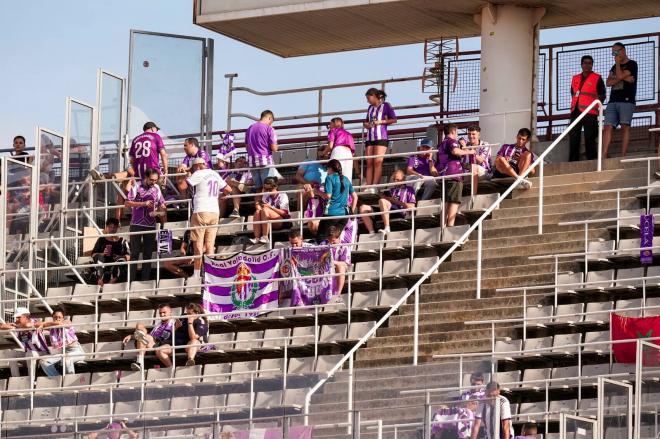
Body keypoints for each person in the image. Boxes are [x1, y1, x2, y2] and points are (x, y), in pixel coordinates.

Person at [186, 157, 232, 278]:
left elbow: (187, 183)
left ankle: (196, 273)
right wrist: (220, 196)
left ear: (197, 166)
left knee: (198, 244)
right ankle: (210, 274)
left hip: (201, 210)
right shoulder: (215, 174)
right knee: (210, 245)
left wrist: (186, 173)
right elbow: (228, 189)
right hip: (214, 211)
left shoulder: (198, 172)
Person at [125, 168, 167, 282]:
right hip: (136, 223)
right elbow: (127, 203)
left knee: (148, 254)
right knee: (134, 254)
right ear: (146, 178)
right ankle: (131, 280)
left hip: (151, 224)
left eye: (156, 180)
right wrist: (143, 203)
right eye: (152, 180)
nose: (154, 182)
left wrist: (162, 207)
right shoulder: (137, 186)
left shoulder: (157, 188)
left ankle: (145, 280)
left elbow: (162, 203)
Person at [568, 55, 606, 162]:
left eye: (589, 63)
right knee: (574, 137)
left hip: (590, 113)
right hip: (576, 111)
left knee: (590, 137)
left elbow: (602, 95)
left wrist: (595, 106)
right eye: (585, 62)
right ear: (581, 64)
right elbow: (573, 93)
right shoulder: (575, 78)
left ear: (592, 65)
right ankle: (573, 161)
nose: (587, 65)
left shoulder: (597, 78)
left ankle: (592, 160)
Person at [602, 42, 637, 158]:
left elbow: (626, 78)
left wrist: (618, 67)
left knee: (624, 127)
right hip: (612, 101)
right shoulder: (613, 67)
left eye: (616, 52)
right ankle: (604, 154)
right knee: (607, 127)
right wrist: (623, 77)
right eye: (613, 53)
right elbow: (608, 83)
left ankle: (623, 155)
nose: (615, 55)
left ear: (623, 50)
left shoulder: (632, 64)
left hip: (627, 100)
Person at [437, 124, 476, 227]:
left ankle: (442, 226)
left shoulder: (441, 144)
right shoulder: (451, 141)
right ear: (453, 132)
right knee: (454, 201)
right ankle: (450, 226)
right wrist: (469, 151)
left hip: (443, 175)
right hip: (454, 174)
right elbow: (455, 151)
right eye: (457, 132)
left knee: (445, 202)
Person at [123, 304, 177, 371]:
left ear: (170, 312)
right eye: (160, 313)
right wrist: (131, 336)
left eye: (164, 312)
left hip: (162, 345)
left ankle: (139, 362)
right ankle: (139, 361)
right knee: (139, 325)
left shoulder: (175, 323)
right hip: (151, 344)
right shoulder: (159, 324)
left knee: (143, 335)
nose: (162, 315)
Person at [363, 88, 396, 193]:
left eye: (368, 98)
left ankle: (375, 185)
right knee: (369, 162)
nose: (367, 100)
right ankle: (368, 186)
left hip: (381, 137)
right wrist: (366, 124)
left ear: (374, 96)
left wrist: (381, 122)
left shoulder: (386, 105)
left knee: (377, 162)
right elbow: (366, 121)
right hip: (370, 137)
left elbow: (394, 119)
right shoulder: (370, 108)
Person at [0, 307, 49, 378]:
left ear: (26, 317)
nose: (16, 319)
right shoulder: (18, 325)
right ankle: (16, 379)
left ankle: (31, 379)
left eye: (19, 317)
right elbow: (2, 326)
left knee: (30, 353)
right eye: (16, 317)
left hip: (42, 353)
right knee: (11, 354)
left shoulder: (34, 322)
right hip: (28, 354)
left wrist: (15, 326)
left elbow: (28, 325)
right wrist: (13, 325)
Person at [36, 308, 86, 376]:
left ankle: (69, 380)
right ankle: (58, 379)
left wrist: (44, 324)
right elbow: (36, 324)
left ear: (63, 318)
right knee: (43, 362)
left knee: (66, 359)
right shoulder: (51, 327)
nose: (57, 318)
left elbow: (59, 323)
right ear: (52, 317)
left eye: (60, 317)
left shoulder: (67, 322)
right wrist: (43, 324)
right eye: (55, 317)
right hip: (63, 353)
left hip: (76, 351)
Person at [316, 159, 357, 239]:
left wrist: (317, 192)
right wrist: (351, 210)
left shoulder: (329, 178)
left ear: (330, 168)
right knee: (334, 239)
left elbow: (328, 196)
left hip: (331, 214)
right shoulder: (346, 179)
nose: (327, 171)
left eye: (327, 169)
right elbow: (355, 197)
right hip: (344, 216)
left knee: (321, 239)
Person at [245, 110, 279, 193]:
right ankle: (267, 205)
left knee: (258, 189)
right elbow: (274, 148)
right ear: (269, 118)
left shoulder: (250, 128)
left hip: (252, 161)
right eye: (271, 121)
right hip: (265, 161)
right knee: (270, 187)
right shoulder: (269, 128)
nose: (271, 123)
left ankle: (259, 205)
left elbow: (247, 146)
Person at [298, 146, 329, 236]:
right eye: (321, 156)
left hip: (322, 190)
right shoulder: (309, 162)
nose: (323, 158)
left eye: (325, 156)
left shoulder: (330, 167)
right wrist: (308, 183)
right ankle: (304, 217)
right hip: (307, 187)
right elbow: (297, 176)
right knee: (306, 191)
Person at [90, 218, 130, 286]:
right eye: (110, 227)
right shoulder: (101, 240)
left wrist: (121, 256)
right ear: (106, 228)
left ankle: (110, 284)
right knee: (100, 257)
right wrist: (102, 254)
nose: (112, 229)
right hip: (103, 263)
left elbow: (129, 256)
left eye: (114, 227)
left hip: (116, 264)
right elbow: (93, 254)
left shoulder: (122, 241)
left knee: (121, 260)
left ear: (117, 228)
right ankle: (100, 281)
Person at [252, 177, 290, 244]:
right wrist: (258, 206)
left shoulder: (283, 195)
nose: (268, 191)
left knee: (265, 209)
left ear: (275, 187)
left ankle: (265, 237)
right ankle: (257, 238)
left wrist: (271, 207)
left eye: (270, 189)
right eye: (265, 189)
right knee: (257, 212)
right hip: (268, 220)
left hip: (282, 221)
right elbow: (261, 209)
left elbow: (285, 213)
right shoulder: (265, 195)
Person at [378, 169, 416, 234]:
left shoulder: (409, 189)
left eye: (397, 180)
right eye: (394, 179)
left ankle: (387, 228)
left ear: (403, 179)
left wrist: (396, 202)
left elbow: (412, 207)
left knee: (382, 201)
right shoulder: (390, 190)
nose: (395, 181)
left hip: (399, 212)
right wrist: (384, 197)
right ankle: (371, 233)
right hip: (386, 212)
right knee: (364, 208)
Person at [461, 126, 493, 193]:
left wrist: (466, 149)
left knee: (474, 167)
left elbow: (480, 160)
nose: (471, 136)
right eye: (469, 134)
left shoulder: (485, 145)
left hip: (483, 172)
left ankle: (473, 196)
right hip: (468, 173)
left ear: (478, 135)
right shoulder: (465, 145)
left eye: (473, 134)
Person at [325, 226, 350, 297]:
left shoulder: (344, 246)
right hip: (327, 268)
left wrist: (333, 262)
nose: (331, 243)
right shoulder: (323, 244)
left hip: (339, 269)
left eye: (333, 241)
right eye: (329, 240)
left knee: (340, 267)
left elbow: (345, 263)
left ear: (338, 237)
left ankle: (337, 294)